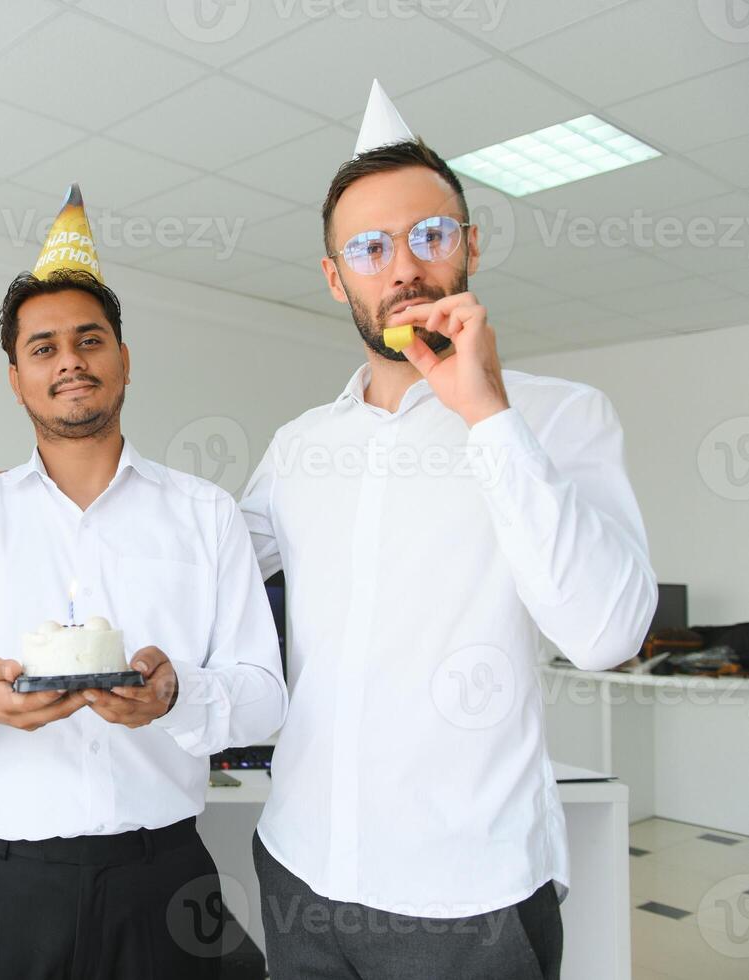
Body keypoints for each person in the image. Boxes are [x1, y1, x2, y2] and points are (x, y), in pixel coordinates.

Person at [240, 81, 656, 979]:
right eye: (368, 247)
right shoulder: (299, 446)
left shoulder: (557, 417)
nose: (402, 268)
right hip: (300, 869)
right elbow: (207, 568)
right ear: (333, 276)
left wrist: (486, 416)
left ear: (468, 245)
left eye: (428, 234)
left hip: (468, 900)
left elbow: (605, 635)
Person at [0, 185, 288, 980]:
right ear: (15, 378)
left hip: (158, 877)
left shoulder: (204, 515)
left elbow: (264, 696)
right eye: (42, 347)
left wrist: (175, 698)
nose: (69, 360)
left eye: (89, 339)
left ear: (122, 358)